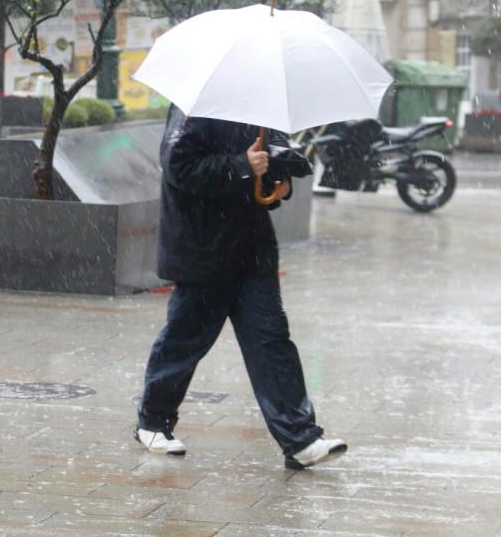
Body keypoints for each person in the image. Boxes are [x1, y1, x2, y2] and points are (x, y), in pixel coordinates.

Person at [134, 105, 347, 469]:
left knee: (271, 340)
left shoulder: (261, 103)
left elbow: (271, 151)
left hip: (252, 250)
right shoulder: (195, 107)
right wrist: (241, 165)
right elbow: (178, 166)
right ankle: (153, 421)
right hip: (203, 248)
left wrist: (280, 178)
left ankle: (298, 437)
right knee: (186, 340)